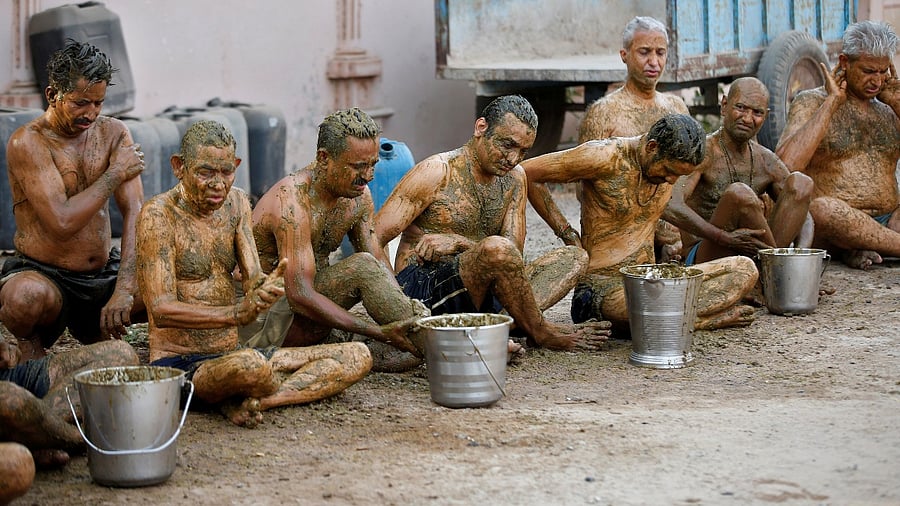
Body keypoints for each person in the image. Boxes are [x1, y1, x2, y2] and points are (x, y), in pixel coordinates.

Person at [138, 120, 372, 428]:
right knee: (252, 366)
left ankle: (259, 400)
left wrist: (265, 286)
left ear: (236, 166)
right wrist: (234, 314)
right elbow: (161, 309)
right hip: (180, 364)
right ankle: (241, 392)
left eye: (225, 172)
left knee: (358, 356)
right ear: (179, 167)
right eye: (206, 172)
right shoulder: (158, 215)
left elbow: (251, 277)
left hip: (233, 353)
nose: (218, 184)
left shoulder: (236, 202)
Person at [375, 95, 611, 352]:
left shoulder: (515, 178)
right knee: (497, 252)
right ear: (481, 128)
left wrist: (457, 243)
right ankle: (539, 332)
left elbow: (511, 254)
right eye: (507, 145)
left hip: (484, 287)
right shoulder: (437, 171)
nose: (513, 158)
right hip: (426, 290)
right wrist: (396, 305)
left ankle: (485, 330)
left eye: (523, 151)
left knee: (573, 258)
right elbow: (374, 236)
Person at [522, 114, 758, 332]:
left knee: (744, 269)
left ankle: (675, 316)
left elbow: (659, 216)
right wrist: (566, 232)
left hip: (651, 281)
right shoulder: (605, 157)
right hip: (602, 289)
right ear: (652, 147)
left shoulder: (666, 174)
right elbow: (527, 173)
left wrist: (671, 246)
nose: (670, 180)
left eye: (678, 176)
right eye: (668, 171)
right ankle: (704, 320)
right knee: (644, 305)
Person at [243, 108, 430, 372]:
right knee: (361, 267)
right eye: (358, 167)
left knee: (371, 269)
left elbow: (379, 263)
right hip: (265, 323)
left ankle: (430, 339)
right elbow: (299, 295)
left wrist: (405, 310)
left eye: (373, 164)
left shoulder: (357, 197)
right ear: (324, 158)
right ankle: (443, 347)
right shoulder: (292, 202)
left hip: (306, 313)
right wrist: (378, 331)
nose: (368, 176)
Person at [0, 39, 146, 363]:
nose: (91, 114)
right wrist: (114, 173)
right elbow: (62, 222)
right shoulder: (28, 142)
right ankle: (31, 350)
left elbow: (136, 211)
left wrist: (124, 287)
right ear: (53, 95)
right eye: (81, 103)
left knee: (169, 280)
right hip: (44, 274)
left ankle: (169, 354)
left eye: (98, 103)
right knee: (24, 297)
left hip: (100, 277)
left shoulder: (115, 133)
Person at [529, 16, 688, 261]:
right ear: (624, 55)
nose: (653, 62)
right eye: (644, 52)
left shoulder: (676, 109)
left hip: (671, 239)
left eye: (660, 52)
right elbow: (583, 190)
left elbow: (686, 181)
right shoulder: (603, 112)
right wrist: (569, 234)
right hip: (618, 243)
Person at [776, 20, 900, 269]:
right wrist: (832, 103)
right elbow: (785, 166)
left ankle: (871, 246)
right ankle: (885, 246)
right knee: (823, 210)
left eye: (882, 71)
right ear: (845, 62)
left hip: (891, 221)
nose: (876, 81)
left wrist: (896, 104)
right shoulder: (811, 101)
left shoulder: (889, 107)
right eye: (868, 71)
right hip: (835, 222)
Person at [663, 77, 815, 266]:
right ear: (724, 105)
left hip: (753, 254)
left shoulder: (765, 160)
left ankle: (778, 271)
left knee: (801, 183)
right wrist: (723, 237)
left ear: (765, 116)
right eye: (741, 108)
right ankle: (777, 274)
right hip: (706, 255)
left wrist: (804, 262)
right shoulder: (704, 152)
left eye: (757, 112)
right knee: (739, 194)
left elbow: (804, 215)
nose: (747, 118)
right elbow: (670, 205)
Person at [1, 334, 139, 499]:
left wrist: (5, 347)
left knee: (121, 354)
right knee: (16, 463)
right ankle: (84, 439)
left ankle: (38, 435)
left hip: (10, 378)